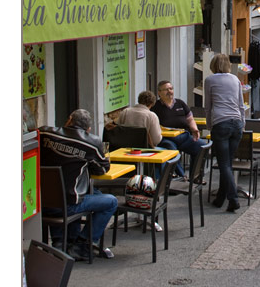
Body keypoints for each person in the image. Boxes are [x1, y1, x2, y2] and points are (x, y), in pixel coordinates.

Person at [39, 109, 118, 261]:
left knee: (88, 193)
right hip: (68, 204)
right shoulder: (91, 142)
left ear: (69, 120)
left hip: (42, 202)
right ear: (88, 129)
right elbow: (102, 169)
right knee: (111, 201)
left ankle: (61, 241)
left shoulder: (45, 133)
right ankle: (83, 245)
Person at [204, 54, 245, 212]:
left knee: (224, 164)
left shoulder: (210, 80)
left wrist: (209, 124)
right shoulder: (235, 79)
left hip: (221, 123)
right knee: (227, 163)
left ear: (214, 65)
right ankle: (220, 198)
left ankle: (233, 198)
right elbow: (241, 104)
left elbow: (208, 105)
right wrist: (242, 124)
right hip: (236, 123)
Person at [151, 80, 207, 179]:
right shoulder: (155, 107)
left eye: (171, 89)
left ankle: (195, 178)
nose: (169, 91)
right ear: (159, 93)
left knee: (201, 146)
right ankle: (182, 177)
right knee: (172, 151)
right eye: (166, 90)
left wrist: (194, 129)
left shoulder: (180, 103)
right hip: (166, 139)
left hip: (183, 136)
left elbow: (190, 119)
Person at [116, 89, 178, 178]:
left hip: (125, 148)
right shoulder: (151, 116)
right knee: (166, 153)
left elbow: (118, 129)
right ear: (152, 103)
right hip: (144, 149)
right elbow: (156, 139)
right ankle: (157, 180)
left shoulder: (125, 112)